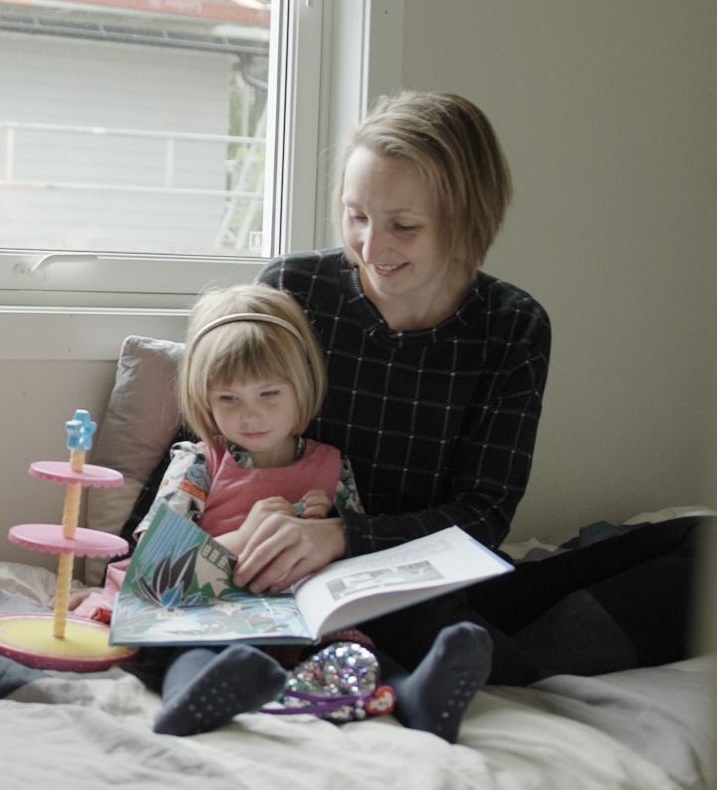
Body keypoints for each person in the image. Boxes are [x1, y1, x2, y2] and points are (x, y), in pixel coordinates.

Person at [231, 90, 710, 684]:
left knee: (700, 543)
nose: (372, 248)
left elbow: (483, 513)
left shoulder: (511, 325)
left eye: (404, 226)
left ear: (467, 218)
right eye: (357, 216)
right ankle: (473, 663)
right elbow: (209, 437)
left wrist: (345, 536)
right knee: (433, 621)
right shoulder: (295, 290)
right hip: (314, 581)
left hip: (427, 567)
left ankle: (471, 653)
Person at [136, 283, 492, 739]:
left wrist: (327, 527)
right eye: (229, 399)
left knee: (360, 652)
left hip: (307, 623)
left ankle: (416, 696)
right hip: (216, 613)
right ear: (205, 399)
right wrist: (247, 536)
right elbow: (154, 568)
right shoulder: (200, 463)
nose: (251, 416)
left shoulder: (330, 464)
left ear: (300, 388)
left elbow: (357, 554)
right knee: (195, 650)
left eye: (269, 394)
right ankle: (196, 696)